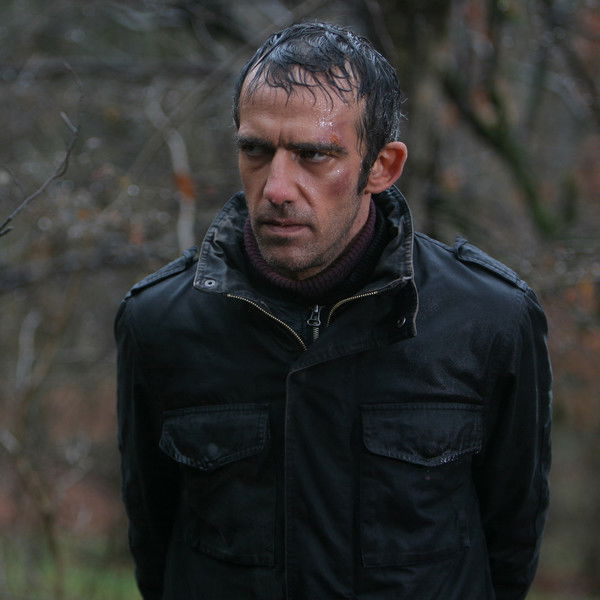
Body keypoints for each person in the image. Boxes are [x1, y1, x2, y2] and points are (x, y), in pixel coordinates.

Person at [116, 21, 552, 600]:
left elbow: (510, 547)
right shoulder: (161, 322)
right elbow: (155, 541)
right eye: (255, 150)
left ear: (382, 166)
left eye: (314, 155)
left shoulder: (488, 319)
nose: (276, 187)